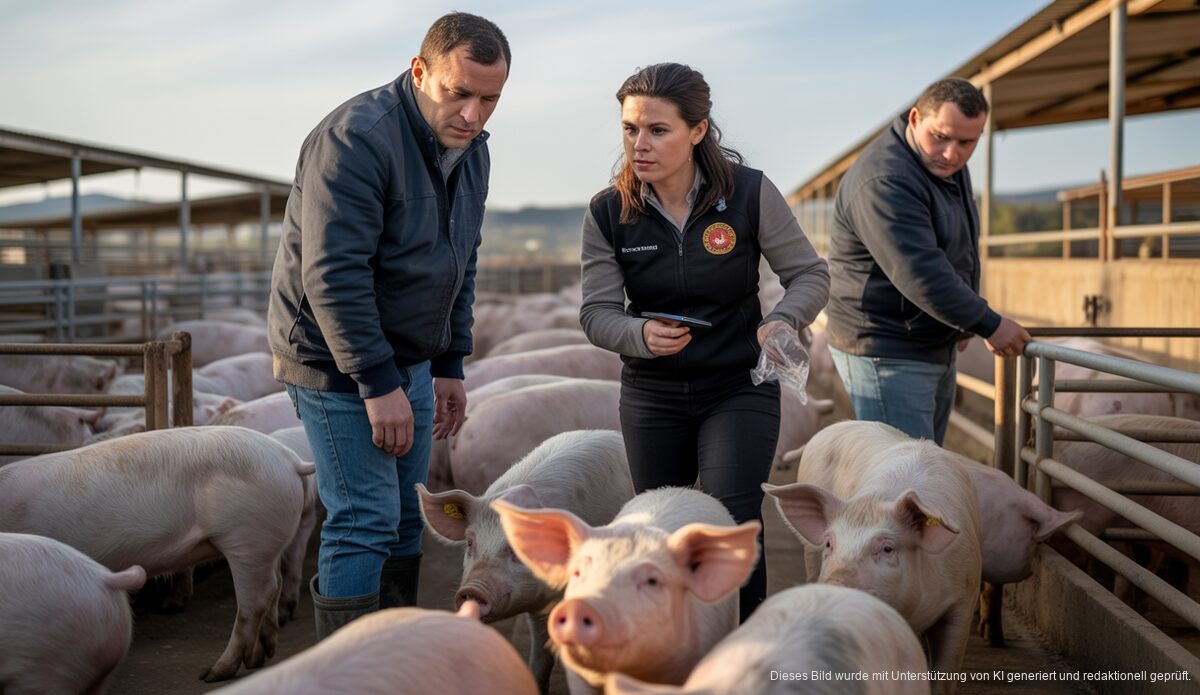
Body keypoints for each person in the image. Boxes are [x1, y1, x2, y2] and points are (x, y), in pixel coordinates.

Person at [266, 12, 510, 639]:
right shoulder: (356, 138)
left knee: (406, 514)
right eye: (459, 92)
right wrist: (377, 382)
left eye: (490, 99)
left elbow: (462, 257)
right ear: (419, 70)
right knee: (362, 517)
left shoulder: (471, 150)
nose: (474, 113)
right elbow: (334, 274)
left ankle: (393, 650)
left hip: (412, 359)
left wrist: (451, 360)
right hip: (333, 358)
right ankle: (349, 673)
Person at [579, 63, 830, 622]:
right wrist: (638, 333)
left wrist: (784, 320)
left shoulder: (748, 194)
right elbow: (595, 313)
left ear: (697, 130)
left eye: (656, 130)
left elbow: (811, 274)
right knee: (657, 524)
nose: (638, 145)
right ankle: (665, 642)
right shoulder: (608, 212)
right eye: (629, 129)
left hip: (737, 386)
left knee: (732, 520)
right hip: (651, 393)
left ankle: (746, 643)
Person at [825, 77, 1031, 446]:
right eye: (941, 136)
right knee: (903, 472)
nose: (952, 153)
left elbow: (957, 249)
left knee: (924, 457)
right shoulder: (886, 178)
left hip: (924, 336)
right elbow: (918, 269)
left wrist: (960, 325)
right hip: (887, 346)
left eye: (967, 142)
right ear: (916, 119)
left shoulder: (940, 166)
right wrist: (986, 323)